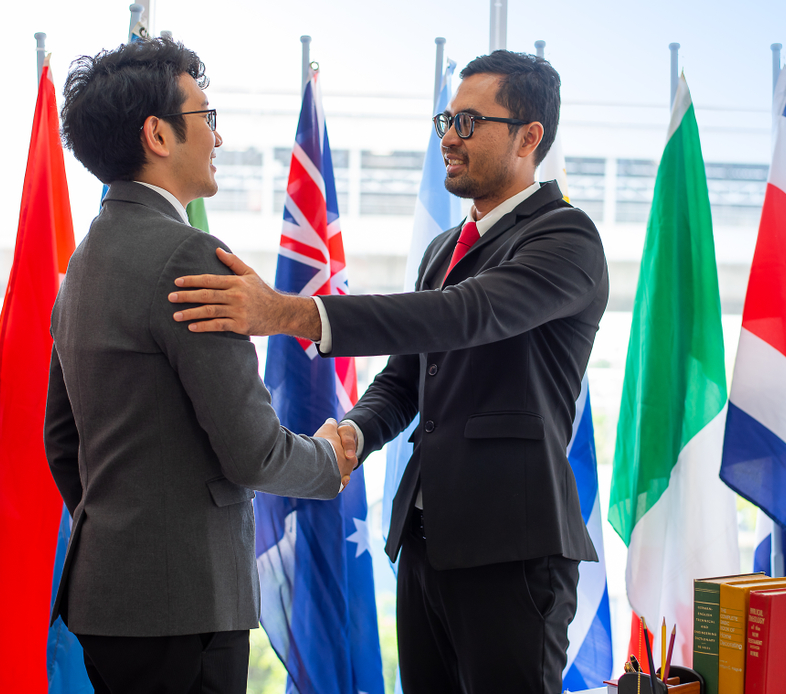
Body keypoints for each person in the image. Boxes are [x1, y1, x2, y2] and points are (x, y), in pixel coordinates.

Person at [170, 50, 608, 693]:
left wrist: (289, 313)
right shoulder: (444, 249)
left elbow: (465, 315)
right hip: (427, 543)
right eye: (445, 120)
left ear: (529, 136)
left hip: (513, 548)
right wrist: (356, 433)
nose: (449, 138)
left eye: (467, 122)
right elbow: (409, 376)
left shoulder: (565, 239)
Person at [45, 38, 354, 694]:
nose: (218, 136)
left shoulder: (80, 266)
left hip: (107, 598)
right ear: (158, 134)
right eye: (206, 118)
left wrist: (128, 524)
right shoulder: (187, 259)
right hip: (181, 603)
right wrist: (329, 459)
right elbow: (252, 454)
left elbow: (61, 443)